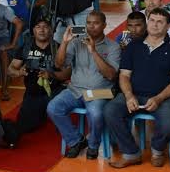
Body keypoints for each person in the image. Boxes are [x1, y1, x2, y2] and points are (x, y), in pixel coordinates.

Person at [104, 8, 170, 168]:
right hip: (134, 94)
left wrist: (159, 98)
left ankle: (157, 149)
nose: (155, 25)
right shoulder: (133, 46)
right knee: (110, 111)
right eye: (152, 20)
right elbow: (124, 76)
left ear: (168, 25)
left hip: (163, 97)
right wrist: (128, 96)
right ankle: (131, 153)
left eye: (160, 22)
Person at [48, 12, 120, 159]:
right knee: (53, 108)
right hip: (75, 90)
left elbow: (111, 75)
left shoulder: (113, 47)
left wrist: (93, 51)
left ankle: (93, 145)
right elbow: (59, 64)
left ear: (104, 26)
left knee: (95, 113)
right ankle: (76, 141)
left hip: (100, 92)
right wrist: (65, 42)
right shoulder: (76, 42)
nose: (91, 26)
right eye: (88, 23)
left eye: (96, 23)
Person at [8, 18, 69, 143]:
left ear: (51, 31)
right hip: (33, 93)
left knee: (59, 125)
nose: (42, 30)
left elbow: (67, 74)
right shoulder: (26, 48)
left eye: (45, 27)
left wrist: (51, 74)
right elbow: (10, 69)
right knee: (24, 127)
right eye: (38, 27)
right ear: (33, 31)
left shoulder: (58, 48)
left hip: (54, 92)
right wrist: (19, 72)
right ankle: (41, 114)